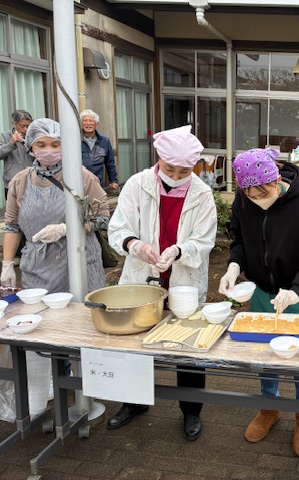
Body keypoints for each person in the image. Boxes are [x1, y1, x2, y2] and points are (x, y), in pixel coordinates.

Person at [107, 125, 217, 441]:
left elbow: (204, 239)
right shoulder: (138, 185)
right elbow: (118, 228)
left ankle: (191, 410)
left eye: (185, 171)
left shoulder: (202, 194)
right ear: (158, 158)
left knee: (188, 346)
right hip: (143, 275)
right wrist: (135, 245)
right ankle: (133, 401)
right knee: (135, 343)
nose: (177, 176)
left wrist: (178, 251)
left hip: (184, 278)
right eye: (170, 169)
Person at [218, 148, 299, 456]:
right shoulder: (244, 200)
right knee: (265, 355)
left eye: (264, 193)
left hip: (297, 293)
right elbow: (239, 240)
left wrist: (297, 290)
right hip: (261, 291)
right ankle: (269, 408)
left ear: (276, 179)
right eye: (251, 195)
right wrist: (234, 267)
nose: (258, 200)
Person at [1, 118, 108, 292]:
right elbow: (12, 226)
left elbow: (102, 219)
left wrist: (66, 229)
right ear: (30, 146)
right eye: (41, 145)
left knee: (80, 307)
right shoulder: (20, 181)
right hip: (37, 266)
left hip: (78, 262)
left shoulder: (82, 177)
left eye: (55, 144)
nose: (48, 150)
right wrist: (7, 264)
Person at [80, 109, 118, 190]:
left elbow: (110, 163)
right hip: (79, 183)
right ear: (81, 124)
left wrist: (113, 180)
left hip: (97, 184)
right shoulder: (75, 140)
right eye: (85, 121)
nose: (88, 123)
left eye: (91, 121)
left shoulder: (104, 141)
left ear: (96, 125)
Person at [0, 110, 33, 201]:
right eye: (22, 126)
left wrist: (28, 144)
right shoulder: (5, 136)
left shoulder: (34, 136)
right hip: (12, 182)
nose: (25, 129)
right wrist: (11, 144)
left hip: (33, 181)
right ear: (14, 124)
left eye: (28, 126)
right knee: (13, 209)